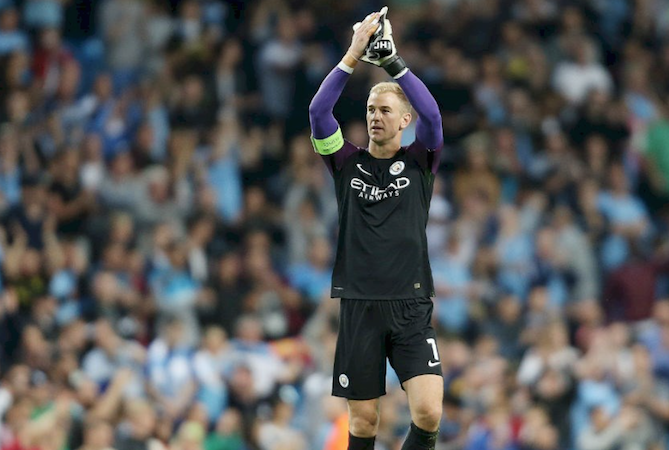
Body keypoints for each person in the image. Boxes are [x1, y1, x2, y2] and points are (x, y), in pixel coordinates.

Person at [308, 8, 444, 450]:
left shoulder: (420, 161)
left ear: (404, 121)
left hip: (410, 302)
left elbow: (434, 118)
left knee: (428, 411)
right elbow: (318, 111)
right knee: (364, 423)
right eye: (370, 109)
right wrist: (352, 55)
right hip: (360, 305)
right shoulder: (345, 162)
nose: (375, 116)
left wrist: (393, 64)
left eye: (385, 110)